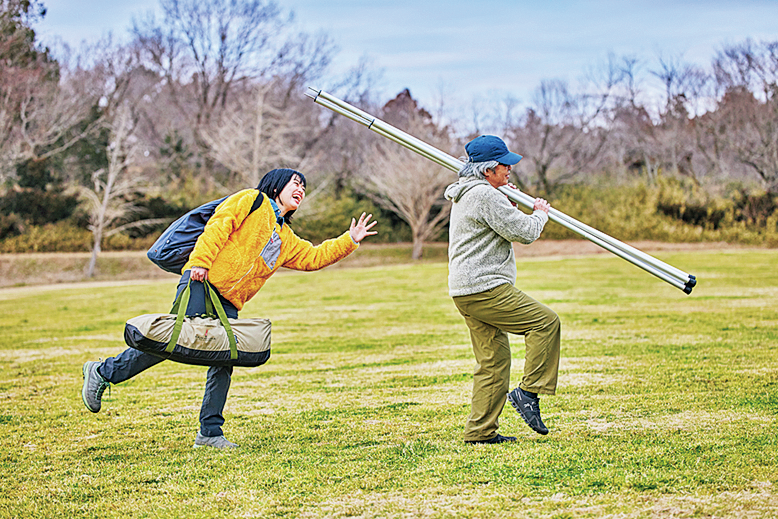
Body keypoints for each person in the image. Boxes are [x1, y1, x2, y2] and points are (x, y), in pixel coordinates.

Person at [81, 168, 377, 448]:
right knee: (170, 343)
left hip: (229, 302)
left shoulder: (285, 237)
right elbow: (217, 226)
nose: (300, 189)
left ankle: (210, 432)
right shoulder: (252, 200)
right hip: (202, 280)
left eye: (304, 187)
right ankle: (104, 372)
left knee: (224, 361)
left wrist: (349, 240)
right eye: (295, 183)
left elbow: (313, 257)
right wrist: (199, 263)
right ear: (276, 185)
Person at [444, 135, 561, 445]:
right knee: (545, 323)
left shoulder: (469, 193)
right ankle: (528, 391)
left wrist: (508, 203)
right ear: (487, 170)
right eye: (504, 165)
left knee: (493, 361)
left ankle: (480, 432)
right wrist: (540, 212)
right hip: (486, 288)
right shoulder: (484, 194)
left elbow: (496, 224)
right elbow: (524, 232)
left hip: (465, 290)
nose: (510, 169)